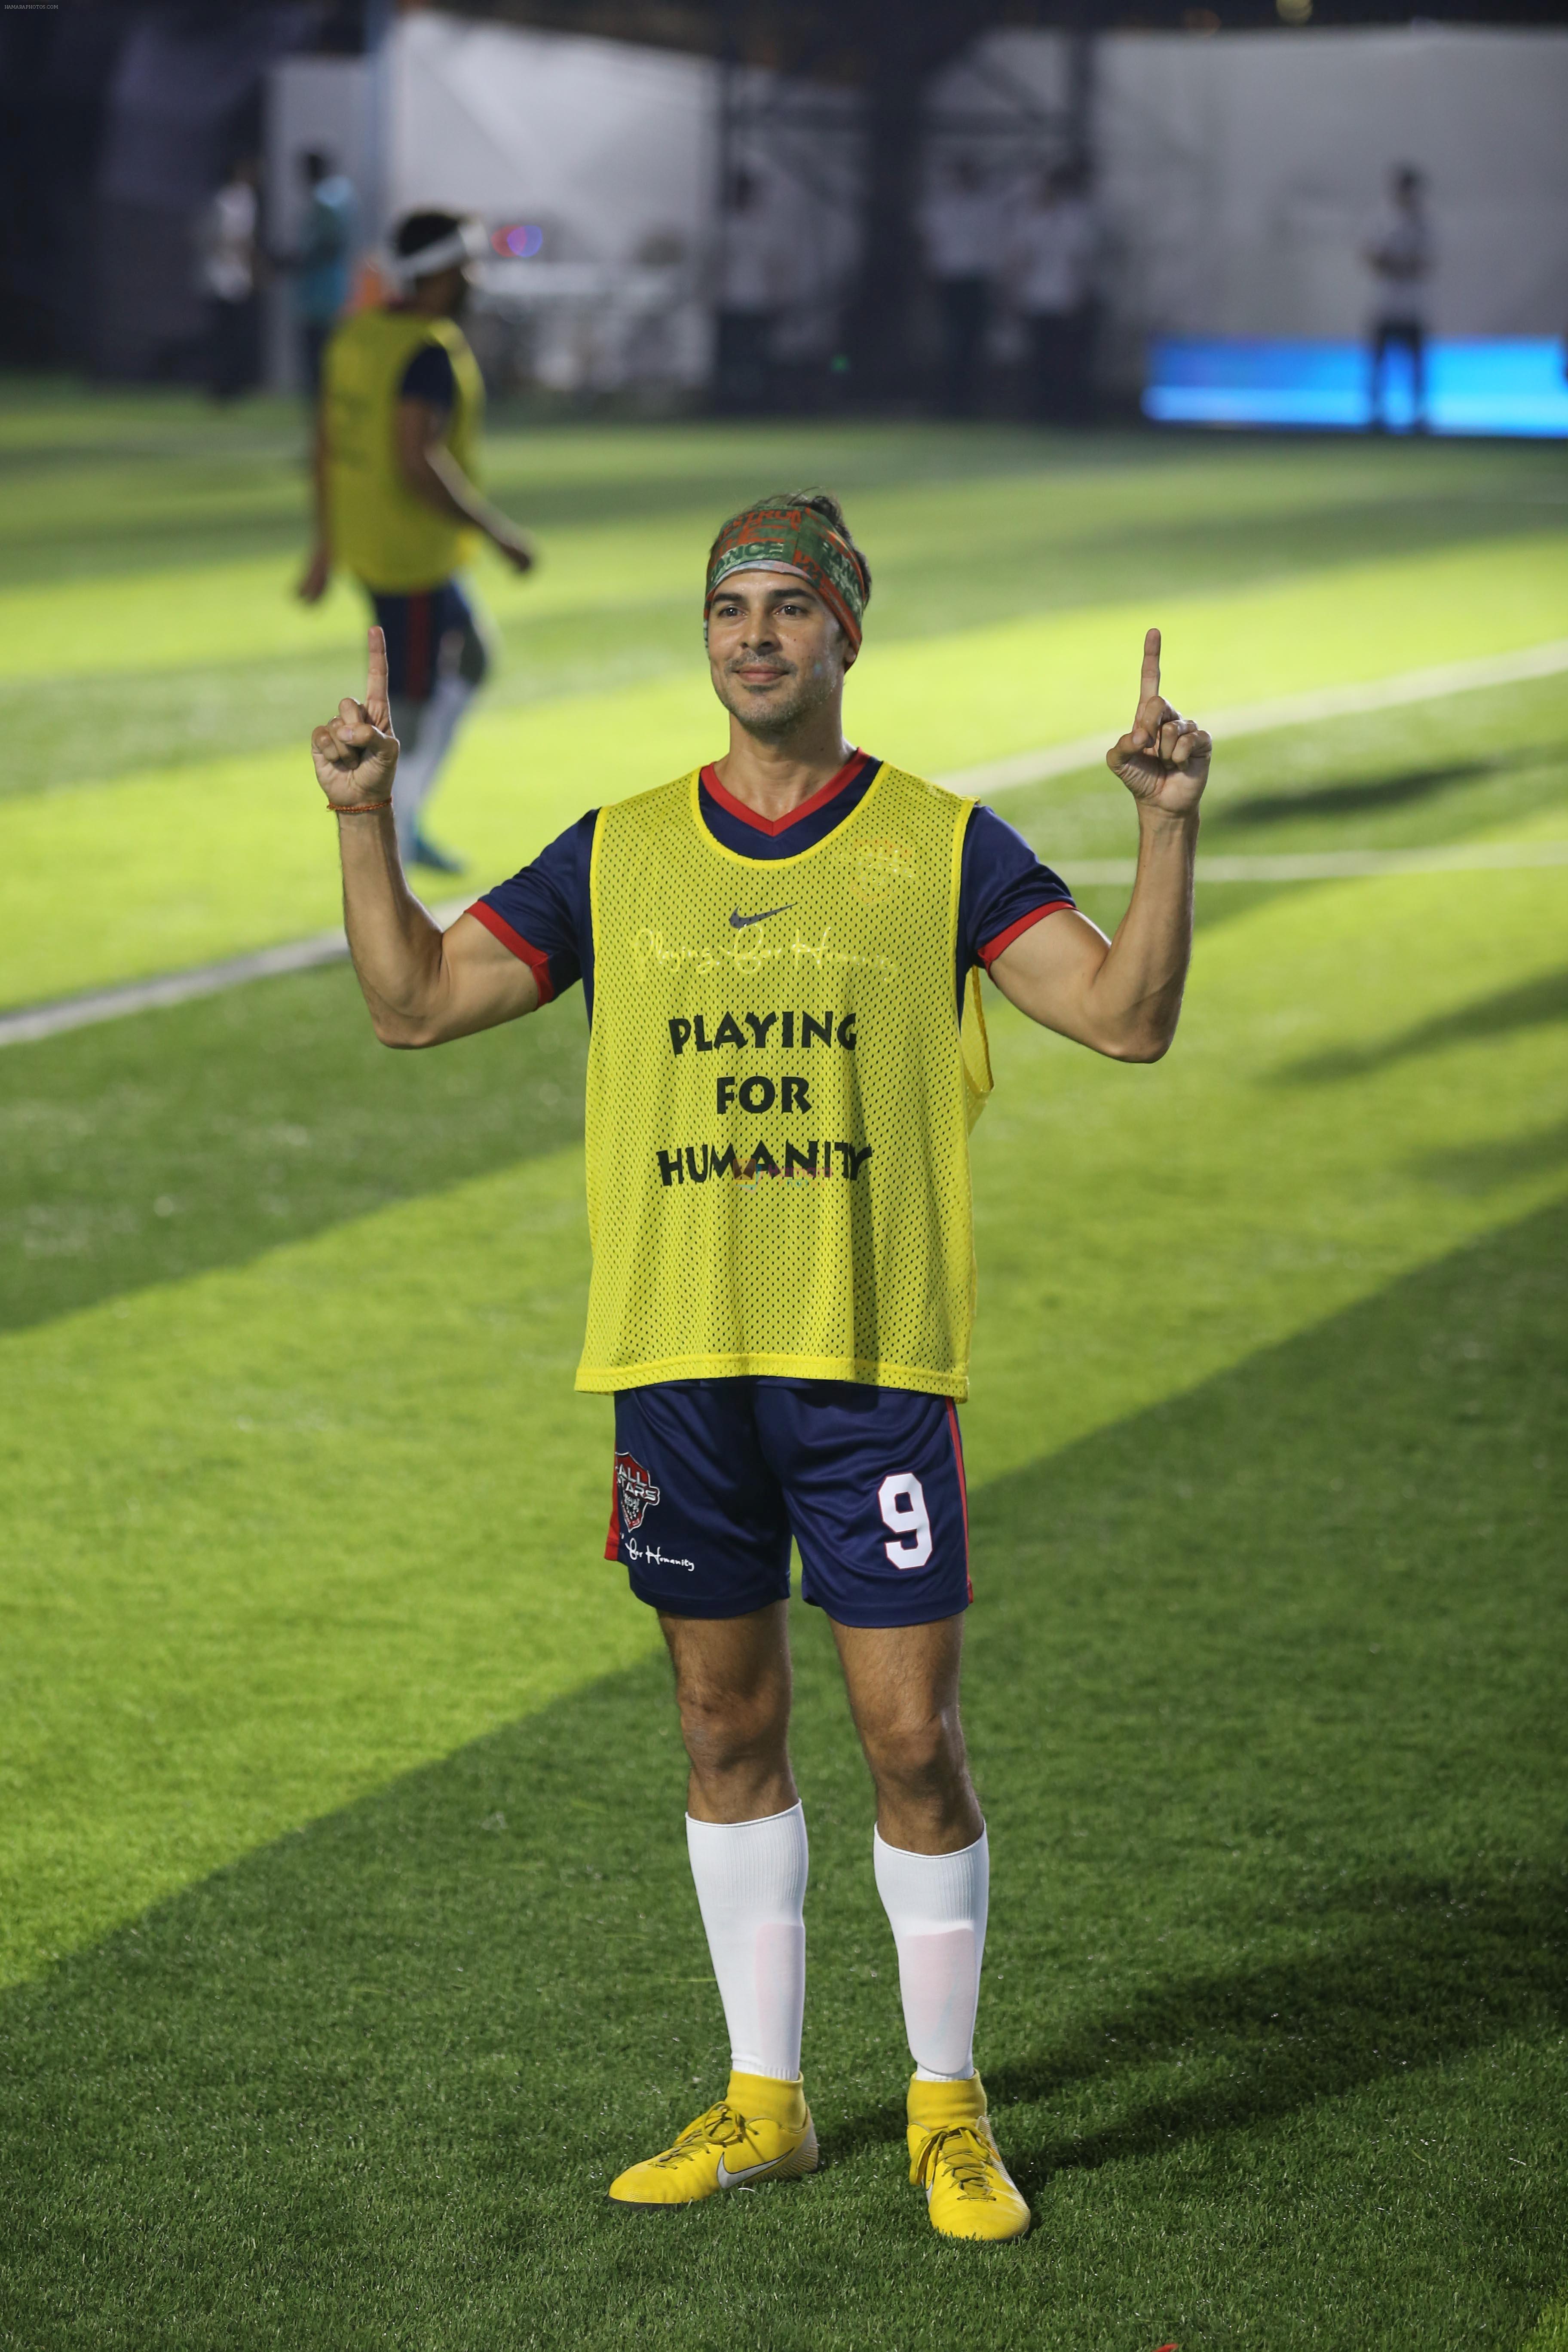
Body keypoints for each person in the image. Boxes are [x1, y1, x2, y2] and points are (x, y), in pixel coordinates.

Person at [308, 493, 1210, 2242]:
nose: (755, 635)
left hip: (870, 1369)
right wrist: (362, 820)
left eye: (793, 606)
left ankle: (949, 2105)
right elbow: (415, 1001)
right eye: (731, 607)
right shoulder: (618, 849)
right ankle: (768, 2101)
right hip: (679, 1366)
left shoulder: (942, 846)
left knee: (910, 1744)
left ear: (845, 635)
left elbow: (1126, 1017)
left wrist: (1167, 828)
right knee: (723, 1726)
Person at [299, 209, 535, 874]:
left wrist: (324, 547)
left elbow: (324, 444)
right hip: (412, 557)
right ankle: (382, 841)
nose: (474, 275)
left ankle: (411, 814)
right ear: (441, 273)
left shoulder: (357, 336)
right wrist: (499, 534)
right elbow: (415, 459)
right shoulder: (427, 351)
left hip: (374, 545)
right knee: (409, 707)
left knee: (473, 659)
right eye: (466, 262)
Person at [1010, 162, 1096, 426]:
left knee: (1066, 360)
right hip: (1037, 297)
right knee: (1039, 358)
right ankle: (1042, 409)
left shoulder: (1073, 218)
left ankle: (1067, 411)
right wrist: (1016, 292)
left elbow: (1079, 260)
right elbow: (1022, 260)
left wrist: (1078, 295)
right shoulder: (1031, 219)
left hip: (1063, 297)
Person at [919, 158, 998, 418]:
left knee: (973, 342)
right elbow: (931, 245)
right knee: (951, 341)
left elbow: (991, 247)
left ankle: (971, 399)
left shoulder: (985, 208)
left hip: (975, 279)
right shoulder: (942, 207)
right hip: (950, 279)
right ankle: (950, 398)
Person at [1363, 165, 1433, 433]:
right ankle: (1376, 411)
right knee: (1380, 362)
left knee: (1415, 363)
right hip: (1385, 304)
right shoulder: (1383, 219)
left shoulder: (1424, 223)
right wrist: (1399, 265)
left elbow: (1425, 263)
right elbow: (1371, 256)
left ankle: (1418, 412)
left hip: (1413, 306)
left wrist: (1398, 265)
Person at [714, 169, 785, 414]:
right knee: (732, 357)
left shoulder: (763, 228)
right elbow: (713, 265)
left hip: (758, 301)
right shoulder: (724, 226)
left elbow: (774, 266)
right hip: (730, 302)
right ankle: (728, 404)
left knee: (757, 357)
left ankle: (758, 404)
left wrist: (777, 296)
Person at [289, 150, 356, 399]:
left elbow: (328, 243)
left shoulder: (325, 200)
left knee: (319, 359)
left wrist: (296, 259)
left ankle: (323, 406)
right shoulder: (344, 194)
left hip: (320, 292)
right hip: (336, 289)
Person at [196, 158, 262, 402]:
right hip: (222, 278)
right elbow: (223, 240)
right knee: (223, 337)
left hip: (237, 278)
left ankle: (233, 386)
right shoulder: (225, 201)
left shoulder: (246, 200)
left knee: (236, 336)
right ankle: (221, 388)